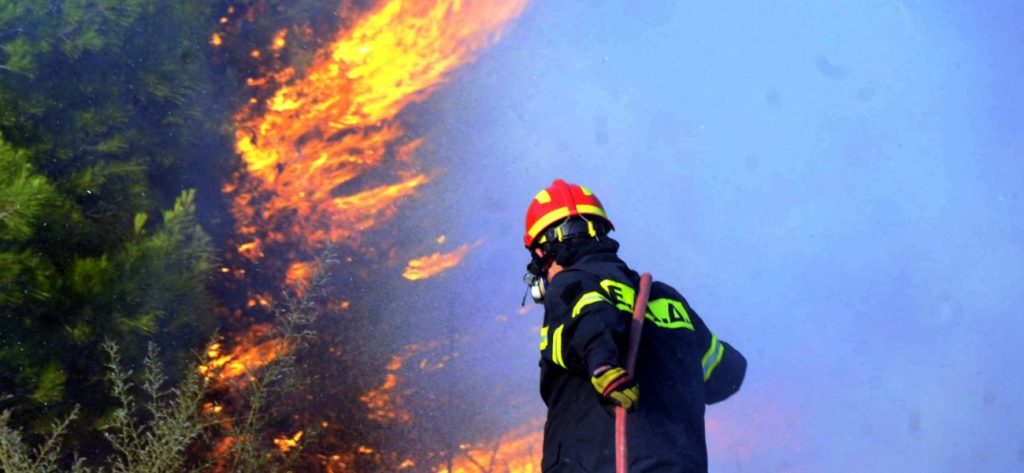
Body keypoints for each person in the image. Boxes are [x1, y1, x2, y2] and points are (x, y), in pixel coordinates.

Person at [522, 179, 747, 472]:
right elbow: (725, 373)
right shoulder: (665, 298)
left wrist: (603, 366)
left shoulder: (569, 284)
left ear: (542, 253)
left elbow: (590, 316)